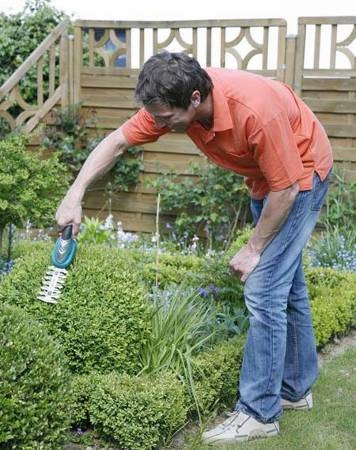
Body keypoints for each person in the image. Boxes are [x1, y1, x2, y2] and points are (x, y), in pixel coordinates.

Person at [56, 51, 333, 444]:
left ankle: (259, 412)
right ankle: (295, 391)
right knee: (288, 286)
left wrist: (253, 249)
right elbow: (116, 142)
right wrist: (75, 193)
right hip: (267, 181)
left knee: (264, 288)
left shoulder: (254, 110)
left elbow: (286, 188)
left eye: (166, 118)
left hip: (300, 176)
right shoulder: (171, 103)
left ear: (196, 99)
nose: (158, 125)